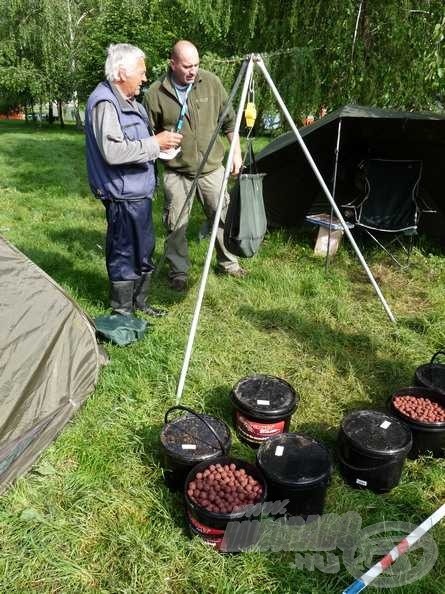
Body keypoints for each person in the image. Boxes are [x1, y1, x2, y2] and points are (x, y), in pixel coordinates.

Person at [84, 43, 183, 316]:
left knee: (143, 250)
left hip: (139, 193)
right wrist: (155, 142)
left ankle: (141, 303)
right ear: (120, 72)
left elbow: (138, 144)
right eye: (140, 72)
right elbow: (113, 151)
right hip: (121, 195)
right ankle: (122, 312)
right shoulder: (105, 102)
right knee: (124, 254)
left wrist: (162, 147)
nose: (144, 77)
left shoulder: (133, 104)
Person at [144, 40, 246, 292]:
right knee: (175, 223)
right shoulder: (155, 93)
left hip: (212, 168)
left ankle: (229, 263)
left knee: (221, 215)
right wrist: (160, 145)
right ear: (173, 64)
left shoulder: (211, 82)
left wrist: (236, 153)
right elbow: (147, 135)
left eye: (197, 65)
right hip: (177, 171)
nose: (193, 71)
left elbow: (230, 122)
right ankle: (178, 271)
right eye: (187, 66)